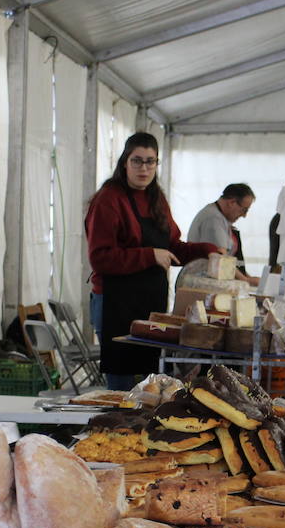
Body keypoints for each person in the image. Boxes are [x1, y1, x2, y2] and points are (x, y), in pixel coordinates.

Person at [86, 132, 218, 391]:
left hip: (149, 303)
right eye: (137, 161)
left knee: (151, 383)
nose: (144, 168)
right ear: (124, 162)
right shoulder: (108, 200)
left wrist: (208, 250)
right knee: (122, 384)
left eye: (150, 161)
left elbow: (173, 247)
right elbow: (100, 258)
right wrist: (149, 255)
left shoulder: (156, 198)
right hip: (115, 303)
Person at [184, 183, 259, 286]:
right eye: (244, 210)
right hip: (200, 282)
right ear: (231, 202)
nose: (244, 215)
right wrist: (245, 280)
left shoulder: (220, 218)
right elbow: (221, 258)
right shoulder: (213, 219)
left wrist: (246, 276)